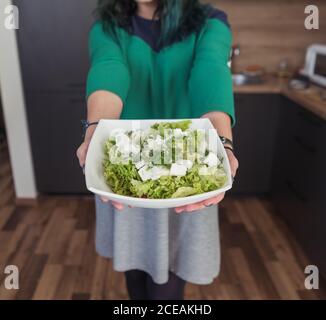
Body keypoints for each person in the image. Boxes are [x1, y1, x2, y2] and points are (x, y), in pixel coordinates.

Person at [77, 0, 239, 300]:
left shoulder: (209, 22)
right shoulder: (108, 26)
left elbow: (211, 70)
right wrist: (96, 131)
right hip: (127, 171)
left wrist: (222, 141)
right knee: (135, 268)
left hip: (189, 173)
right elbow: (109, 68)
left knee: (170, 280)